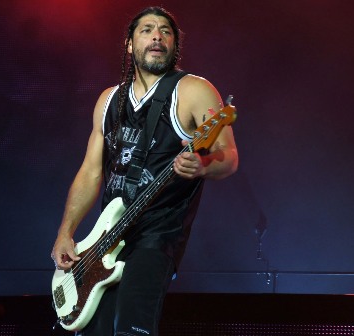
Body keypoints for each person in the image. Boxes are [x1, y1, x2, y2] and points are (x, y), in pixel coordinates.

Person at [51, 6, 238, 336]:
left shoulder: (193, 91)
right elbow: (91, 172)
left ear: (174, 45)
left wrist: (203, 164)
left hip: (157, 235)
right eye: (147, 29)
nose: (157, 35)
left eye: (165, 31)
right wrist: (67, 231)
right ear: (129, 44)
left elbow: (230, 157)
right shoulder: (109, 101)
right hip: (107, 239)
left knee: (131, 328)